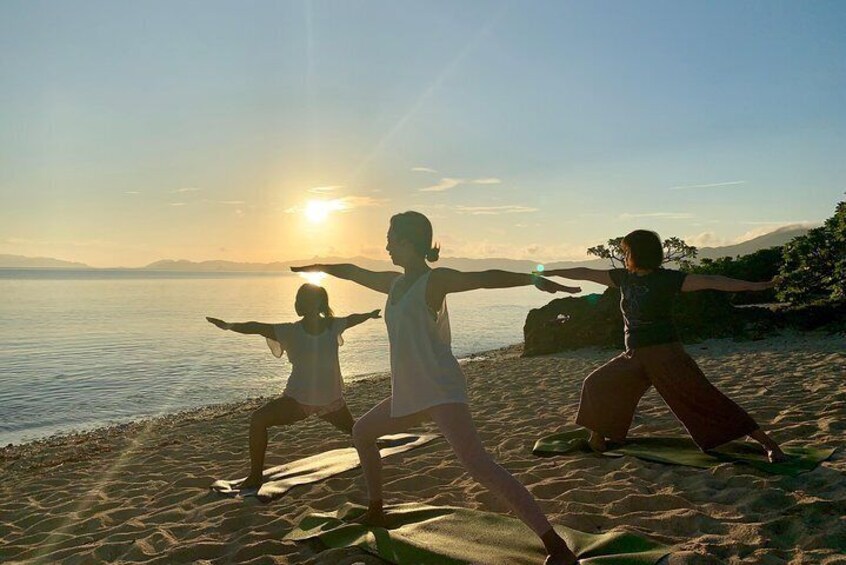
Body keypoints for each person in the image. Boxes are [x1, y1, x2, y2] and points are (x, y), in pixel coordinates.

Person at [293, 211, 581, 565]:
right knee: (362, 431)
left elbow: (483, 278)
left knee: (478, 466)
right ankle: (376, 510)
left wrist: (534, 279)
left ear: (410, 242)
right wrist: (318, 266)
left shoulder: (434, 281)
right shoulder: (394, 283)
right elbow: (353, 271)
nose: (386, 245)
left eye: (391, 237)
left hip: (441, 389)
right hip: (410, 393)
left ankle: (556, 546)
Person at [544, 229, 787, 463]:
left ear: (638, 253)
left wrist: (755, 286)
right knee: (598, 383)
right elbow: (585, 272)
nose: (624, 256)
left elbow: (711, 280)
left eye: (627, 251)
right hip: (634, 355)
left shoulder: (667, 279)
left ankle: (768, 443)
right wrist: (551, 271)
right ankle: (597, 437)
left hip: (666, 354)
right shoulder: (623, 278)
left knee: (705, 399)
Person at [206, 283, 381, 488]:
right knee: (355, 431)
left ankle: (255, 476)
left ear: (308, 304)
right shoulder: (332, 325)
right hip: (330, 400)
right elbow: (353, 318)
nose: (297, 303)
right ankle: (371, 448)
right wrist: (369, 314)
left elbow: (256, 327)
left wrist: (228, 325)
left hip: (300, 400)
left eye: (300, 300)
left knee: (258, 420)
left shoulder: (292, 331)